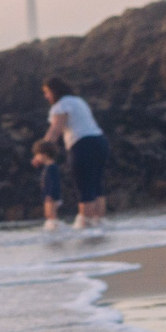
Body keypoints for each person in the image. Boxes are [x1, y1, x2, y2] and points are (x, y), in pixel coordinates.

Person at [40, 77, 108, 228]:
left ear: (54, 91)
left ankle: (86, 225)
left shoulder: (61, 105)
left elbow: (55, 130)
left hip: (82, 144)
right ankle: (100, 223)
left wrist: (41, 152)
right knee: (96, 184)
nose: (46, 96)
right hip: (100, 141)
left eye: (46, 92)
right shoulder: (78, 101)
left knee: (84, 185)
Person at [30, 134, 65, 231]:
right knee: (49, 213)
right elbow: (42, 176)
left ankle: (55, 227)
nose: (36, 157)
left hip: (51, 195)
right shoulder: (47, 167)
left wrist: (49, 194)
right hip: (49, 194)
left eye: (37, 155)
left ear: (44, 155)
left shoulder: (51, 168)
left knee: (50, 213)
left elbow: (53, 182)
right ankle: (53, 227)